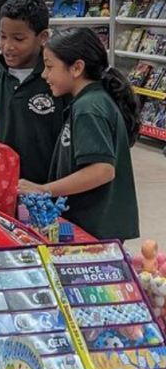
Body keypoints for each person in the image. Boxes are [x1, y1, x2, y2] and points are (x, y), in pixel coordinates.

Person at [19, 28, 140, 241]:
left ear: (76, 68)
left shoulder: (89, 107)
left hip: (96, 229)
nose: (44, 74)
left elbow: (102, 170)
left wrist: (43, 189)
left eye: (49, 66)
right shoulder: (88, 101)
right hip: (93, 226)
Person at [0, 0, 67, 184]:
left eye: (18, 38)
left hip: (51, 189)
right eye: (3, 37)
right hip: (1, 186)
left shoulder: (58, 80)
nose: (7, 46)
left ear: (43, 37)